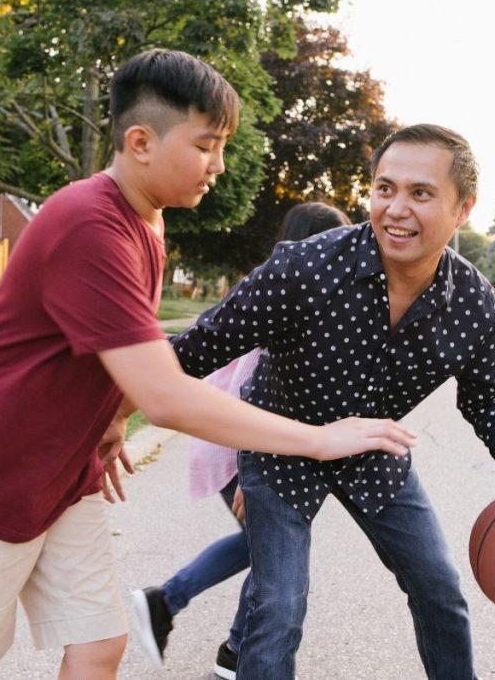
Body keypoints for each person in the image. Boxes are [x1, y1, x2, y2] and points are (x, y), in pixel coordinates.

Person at [0, 48, 415, 680]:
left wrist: (112, 417)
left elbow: (118, 355)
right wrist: (318, 441)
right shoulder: (91, 222)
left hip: (59, 473)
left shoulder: (146, 219)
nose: (219, 165)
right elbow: (169, 396)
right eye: (207, 146)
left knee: (99, 643)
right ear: (141, 141)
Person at [168, 123, 495, 679]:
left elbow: (491, 401)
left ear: (463, 208)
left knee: (439, 590)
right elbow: (191, 353)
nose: (395, 208)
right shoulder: (303, 267)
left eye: (420, 193)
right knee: (278, 606)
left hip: (374, 445)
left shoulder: (474, 306)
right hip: (281, 440)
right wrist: (102, 395)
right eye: (384, 188)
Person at [129, 202, 352, 679]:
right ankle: (168, 601)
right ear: (310, 244)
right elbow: (250, 394)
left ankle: (233, 649)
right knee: (271, 549)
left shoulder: (291, 293)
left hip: (244, 445)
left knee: (267, 549)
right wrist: (255, 476)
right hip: (241, 447)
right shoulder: (283, 299)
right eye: (333, 244)